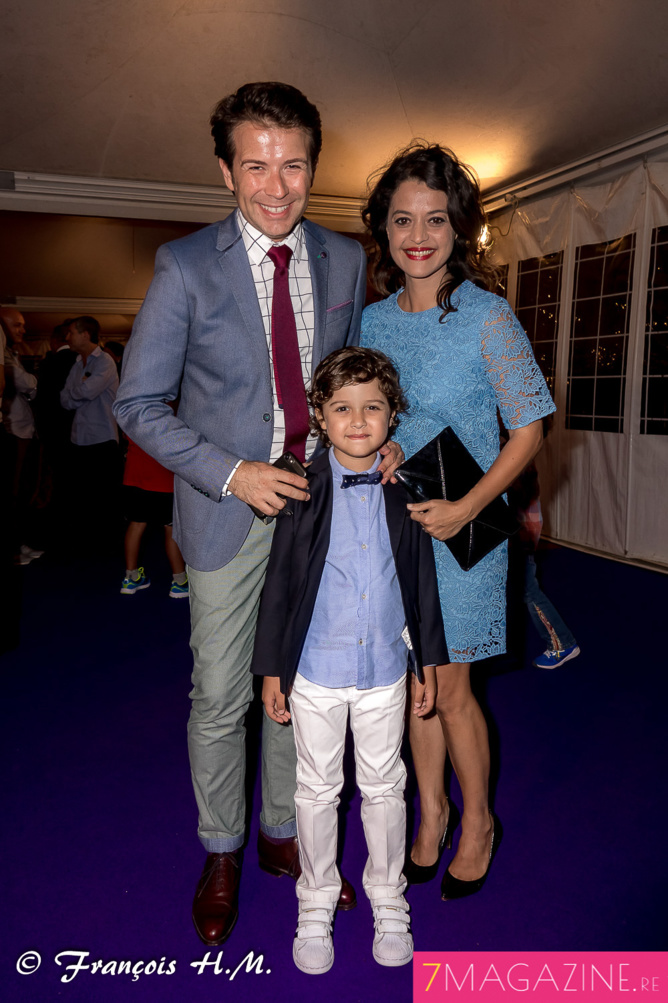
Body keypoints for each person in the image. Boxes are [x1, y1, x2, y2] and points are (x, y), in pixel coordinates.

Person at [113, 82, 401, 947]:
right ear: (226, 169)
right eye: (256, 166)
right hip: (225, 510)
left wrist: (380, 442)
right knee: (221, 694)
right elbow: (139, 403)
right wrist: (232, 471)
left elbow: (356, 379)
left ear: (315, 163)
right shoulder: (184, 265)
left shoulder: (346, 261)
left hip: (320, 513)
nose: (276, 188)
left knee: (304, 685)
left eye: (294, 165)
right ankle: (223, 848)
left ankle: (286, 830)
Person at [361, 142, 556, 901]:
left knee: (451, 685)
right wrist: (379, 447)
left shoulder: (486, 316)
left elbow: (529, 428)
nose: (418, 234)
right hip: (399, 526)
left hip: (466, 530)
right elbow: (375, 415)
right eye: (403, 218)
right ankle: (431, 810)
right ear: (383, 227)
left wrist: (471, 507)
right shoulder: (374, 321)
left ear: (458, 228)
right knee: (417, 684)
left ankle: (478, 821)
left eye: (435, 220)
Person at [251, 347, 447, 973]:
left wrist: (428, 662)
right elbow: (279, 582)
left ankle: (388, 896)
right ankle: (314, 902)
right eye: (342, 409)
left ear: (394, 416)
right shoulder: (300, 487)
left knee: (386, 786)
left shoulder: (406, 483)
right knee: (316, 788)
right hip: (315, 670)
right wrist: (272, 668)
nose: (358, 421)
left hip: (387, 666)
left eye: (373, 408)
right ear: (319, 415)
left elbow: (421, 580)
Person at [508, 460, 580, 669]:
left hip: (519, 536)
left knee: (529, 591)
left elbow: (514, 496)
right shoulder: (509, 448)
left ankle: (562, 644)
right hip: (517, 535)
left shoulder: (515, 452)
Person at [120, 435, 189, 599]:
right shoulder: (170, 408)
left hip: (134, 476)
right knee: (170, 527)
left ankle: (131, 578)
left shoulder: (130, 409)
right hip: (162, 478)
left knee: (136, 524)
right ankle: (180, 582)